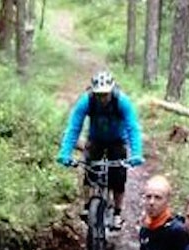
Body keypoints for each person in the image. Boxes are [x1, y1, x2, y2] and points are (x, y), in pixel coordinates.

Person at [56, 69, 145, 230]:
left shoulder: (122, 102)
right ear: (94, 92)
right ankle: (87, 205)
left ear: (111, 91)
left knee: (118, 176)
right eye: (99, 94)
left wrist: (136, 153)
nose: (102, 98)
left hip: (117, 140)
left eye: (105, 94)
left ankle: (117, 213)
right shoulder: (86, 101)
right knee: (89, 171)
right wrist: (65, 153)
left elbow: (133, 128)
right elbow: (74, 128)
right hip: (95, 139)